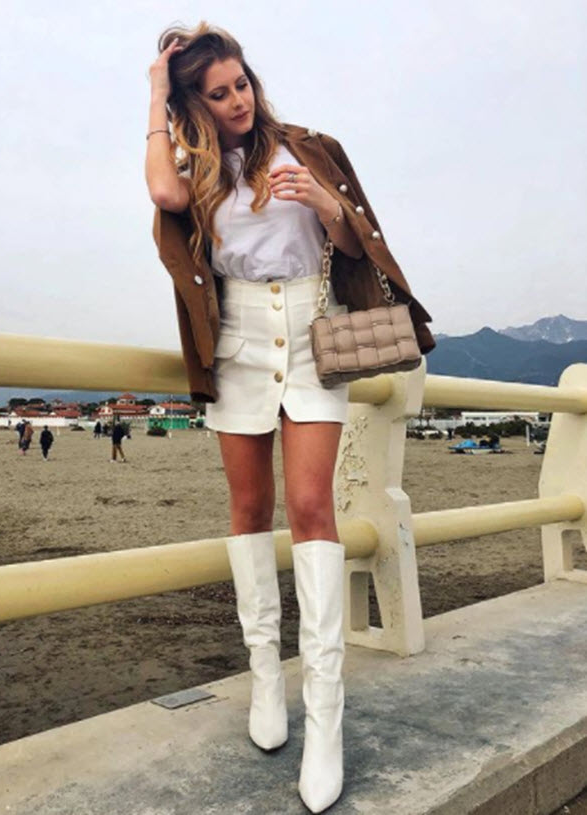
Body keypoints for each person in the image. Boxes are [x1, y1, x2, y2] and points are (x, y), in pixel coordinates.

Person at [147, 23, 436, 814]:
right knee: (249, 507)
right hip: (237, 339)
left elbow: (356, 241)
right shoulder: (195, 169)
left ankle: (326, 718)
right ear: (194, 105)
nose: (238, 100)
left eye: (241, 83)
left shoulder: (308, 147)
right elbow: (164, 197)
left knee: (312, 507)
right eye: (218, 93)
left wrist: (323, 200)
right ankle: (265, 681)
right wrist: (155, 94)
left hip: (312, 331)